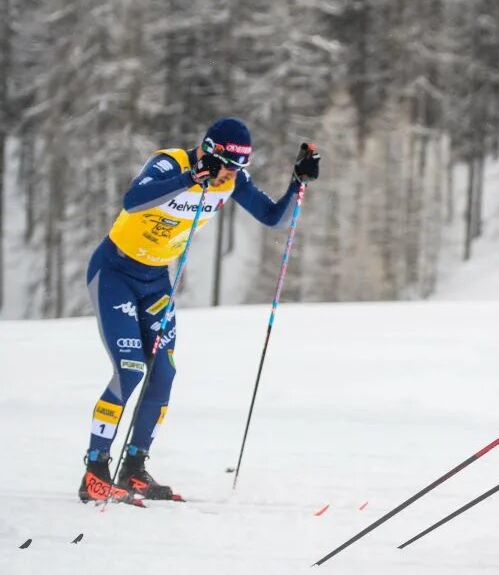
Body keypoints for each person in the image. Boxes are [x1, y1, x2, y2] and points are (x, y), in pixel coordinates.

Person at [78, 117, 321, 504]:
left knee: (164, 371)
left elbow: (273, 216)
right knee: (130, 368)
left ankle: (134, 468)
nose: (231, 174)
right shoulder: (169, 163)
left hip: (156, 280)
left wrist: (298, 182)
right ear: (208, 151)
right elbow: (133, 199)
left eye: (240, 167)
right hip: (115, 271)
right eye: (227, 164)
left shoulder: (231, 181)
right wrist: (190, 178)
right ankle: (95, 471)